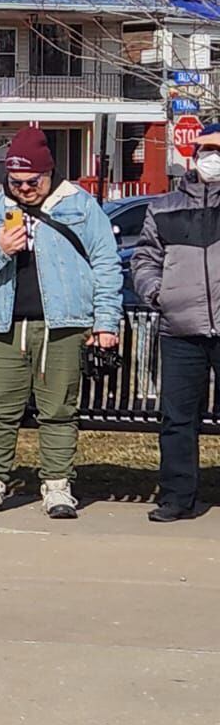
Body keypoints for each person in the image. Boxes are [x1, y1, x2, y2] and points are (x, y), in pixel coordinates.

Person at [0, 127, 121, 519]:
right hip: (3, 324)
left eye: (33, 182)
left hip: (62, 324)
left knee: (59, 409)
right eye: (16, 182)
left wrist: (106, 322)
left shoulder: (79, 206)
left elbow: (106, 264)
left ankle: (58, 486)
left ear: (50, 174)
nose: (25, 189)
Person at [131, 123, 220, 523]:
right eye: (206, 150)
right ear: (193, 155)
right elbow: (144, 259)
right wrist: (157, 294)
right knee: (177, 419)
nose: (212, 159)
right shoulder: (163, 206)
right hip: (179, 329)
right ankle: (176, 497)